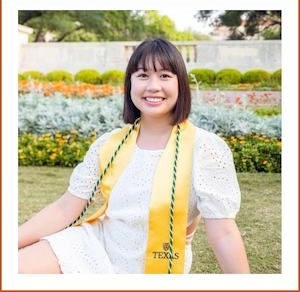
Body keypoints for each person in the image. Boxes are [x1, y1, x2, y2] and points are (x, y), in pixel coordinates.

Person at [18, 38, 250, 274]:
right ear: (130, 83)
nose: (153, 86)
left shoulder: (205, 149)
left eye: (165, 76)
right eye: (142, 75)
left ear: (181, 84)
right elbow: (64, 209)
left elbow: (223, 232)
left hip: (155, 264)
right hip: (92, 246)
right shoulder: (109, 145)